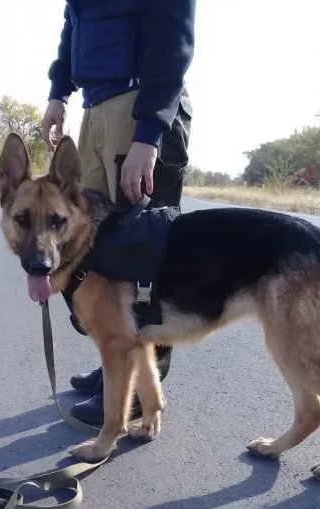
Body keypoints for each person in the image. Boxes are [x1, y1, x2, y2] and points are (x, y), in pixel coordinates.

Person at [41, 0, 196, 428]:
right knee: (100, 253)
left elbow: (173, 39)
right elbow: (75, 27)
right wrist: (59, 91)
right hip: (95, 107)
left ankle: (144, 389)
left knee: (142, 248)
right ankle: (115, 360)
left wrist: (148, 135)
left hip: (141, 104)